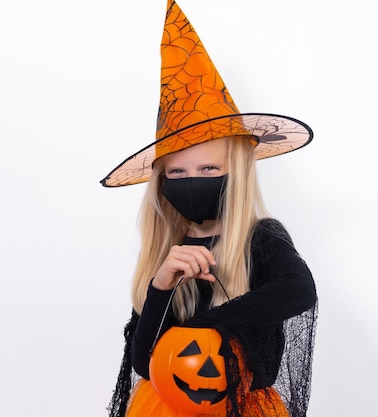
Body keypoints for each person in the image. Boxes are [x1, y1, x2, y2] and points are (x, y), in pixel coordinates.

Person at [100, 1, 317, 417]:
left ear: (235, 171)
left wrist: (204, 326)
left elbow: (298, 290)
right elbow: (144, 363)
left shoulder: (260, 238)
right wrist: (161, 286)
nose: (191, 180)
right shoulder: (167, 251)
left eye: (208, 168)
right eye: (176, 173)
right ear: (160, 183)